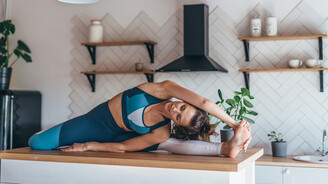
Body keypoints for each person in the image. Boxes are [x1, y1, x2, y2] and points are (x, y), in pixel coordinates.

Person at [29, 80, 251, 157]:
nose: (175, 108)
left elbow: (124, 147)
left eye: (178, 116)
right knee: (36, 143)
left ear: (176, 122)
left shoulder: (162, 130)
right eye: (182, 106)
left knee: (165, 142)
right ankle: (227, 145)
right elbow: (204, 103)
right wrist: (234, 125)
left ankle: (225, 149)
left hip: (118, 139)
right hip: (95, 121)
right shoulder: (160, 90)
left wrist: (87, 146)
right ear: (185, 100)